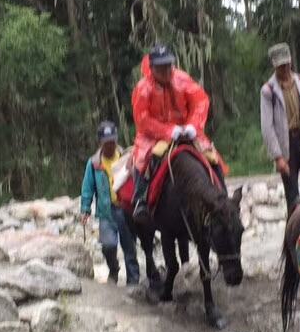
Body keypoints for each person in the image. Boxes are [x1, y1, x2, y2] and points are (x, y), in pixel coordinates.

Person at [130, 42, 220, 223]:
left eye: (168, 65)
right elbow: (142, 118)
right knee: (143, 159)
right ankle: (141, 200)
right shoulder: (143, 88)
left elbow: (200, 101)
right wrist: (168, 131)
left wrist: (193, 125)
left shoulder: (183, 79)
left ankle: (221, 193)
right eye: (160, 67)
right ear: (152, 68)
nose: (166, 71)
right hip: (153, 135)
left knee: (211, 156)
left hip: (186, 130)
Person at [260, 43, 300, 212]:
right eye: (280, 66)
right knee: (291, 195)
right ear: (274, 65)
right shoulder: (268, 90)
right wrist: (278, 156)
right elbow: (267, 126)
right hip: (286, 145)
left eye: (286, 64)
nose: (284, 68)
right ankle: (292, 234)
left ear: (290, 61)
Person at [80, 121, 140, 287]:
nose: (110, 145)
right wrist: (85, 209)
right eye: (107, 143)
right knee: (108, 245)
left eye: (113, 141)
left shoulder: (126, 157)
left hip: (126, 209)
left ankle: (134, 281)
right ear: (100, 143)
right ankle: (113, 269)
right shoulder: (93, 163)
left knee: (129, 246)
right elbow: (88, 187)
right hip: (106, 211)